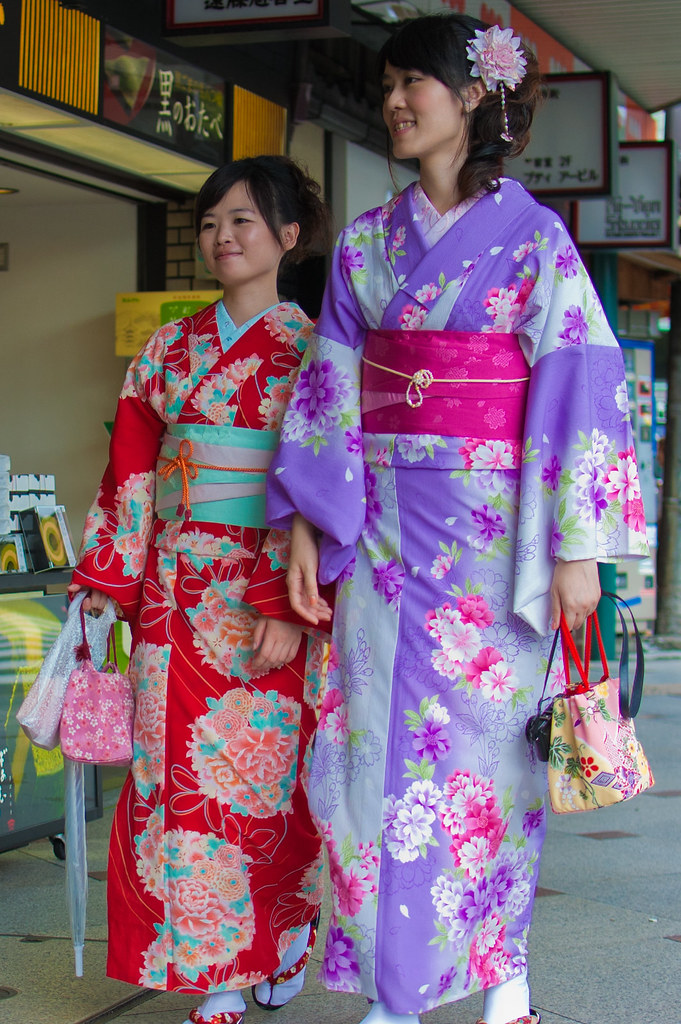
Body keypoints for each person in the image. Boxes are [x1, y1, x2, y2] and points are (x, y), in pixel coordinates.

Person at [266, 14, 648, 1024]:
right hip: (382, 532)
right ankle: (395, 989)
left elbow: (579, 379)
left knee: (487, 767)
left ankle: (503, 973)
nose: (394, 102)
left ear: (475, 95)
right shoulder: (364, 244)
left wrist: (577, 547)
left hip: (492, 540)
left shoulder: (534, 239)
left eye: (414, 83)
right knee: (369, 763)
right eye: (387, 84)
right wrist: (306, 522)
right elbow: (330, 389)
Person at [69, 155, 333, 1024]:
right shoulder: (170, 347)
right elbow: (130, 465)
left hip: (264, 590)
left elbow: (321, 485)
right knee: (171, 782)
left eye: (242, 220)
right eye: (211, 222)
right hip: (173, 589)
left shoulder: (314, 351)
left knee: (263, 781)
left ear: (288, 236)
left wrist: (287, 603)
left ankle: (282, 930)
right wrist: (111, 576)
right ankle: (216, 971)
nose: (222, 236)